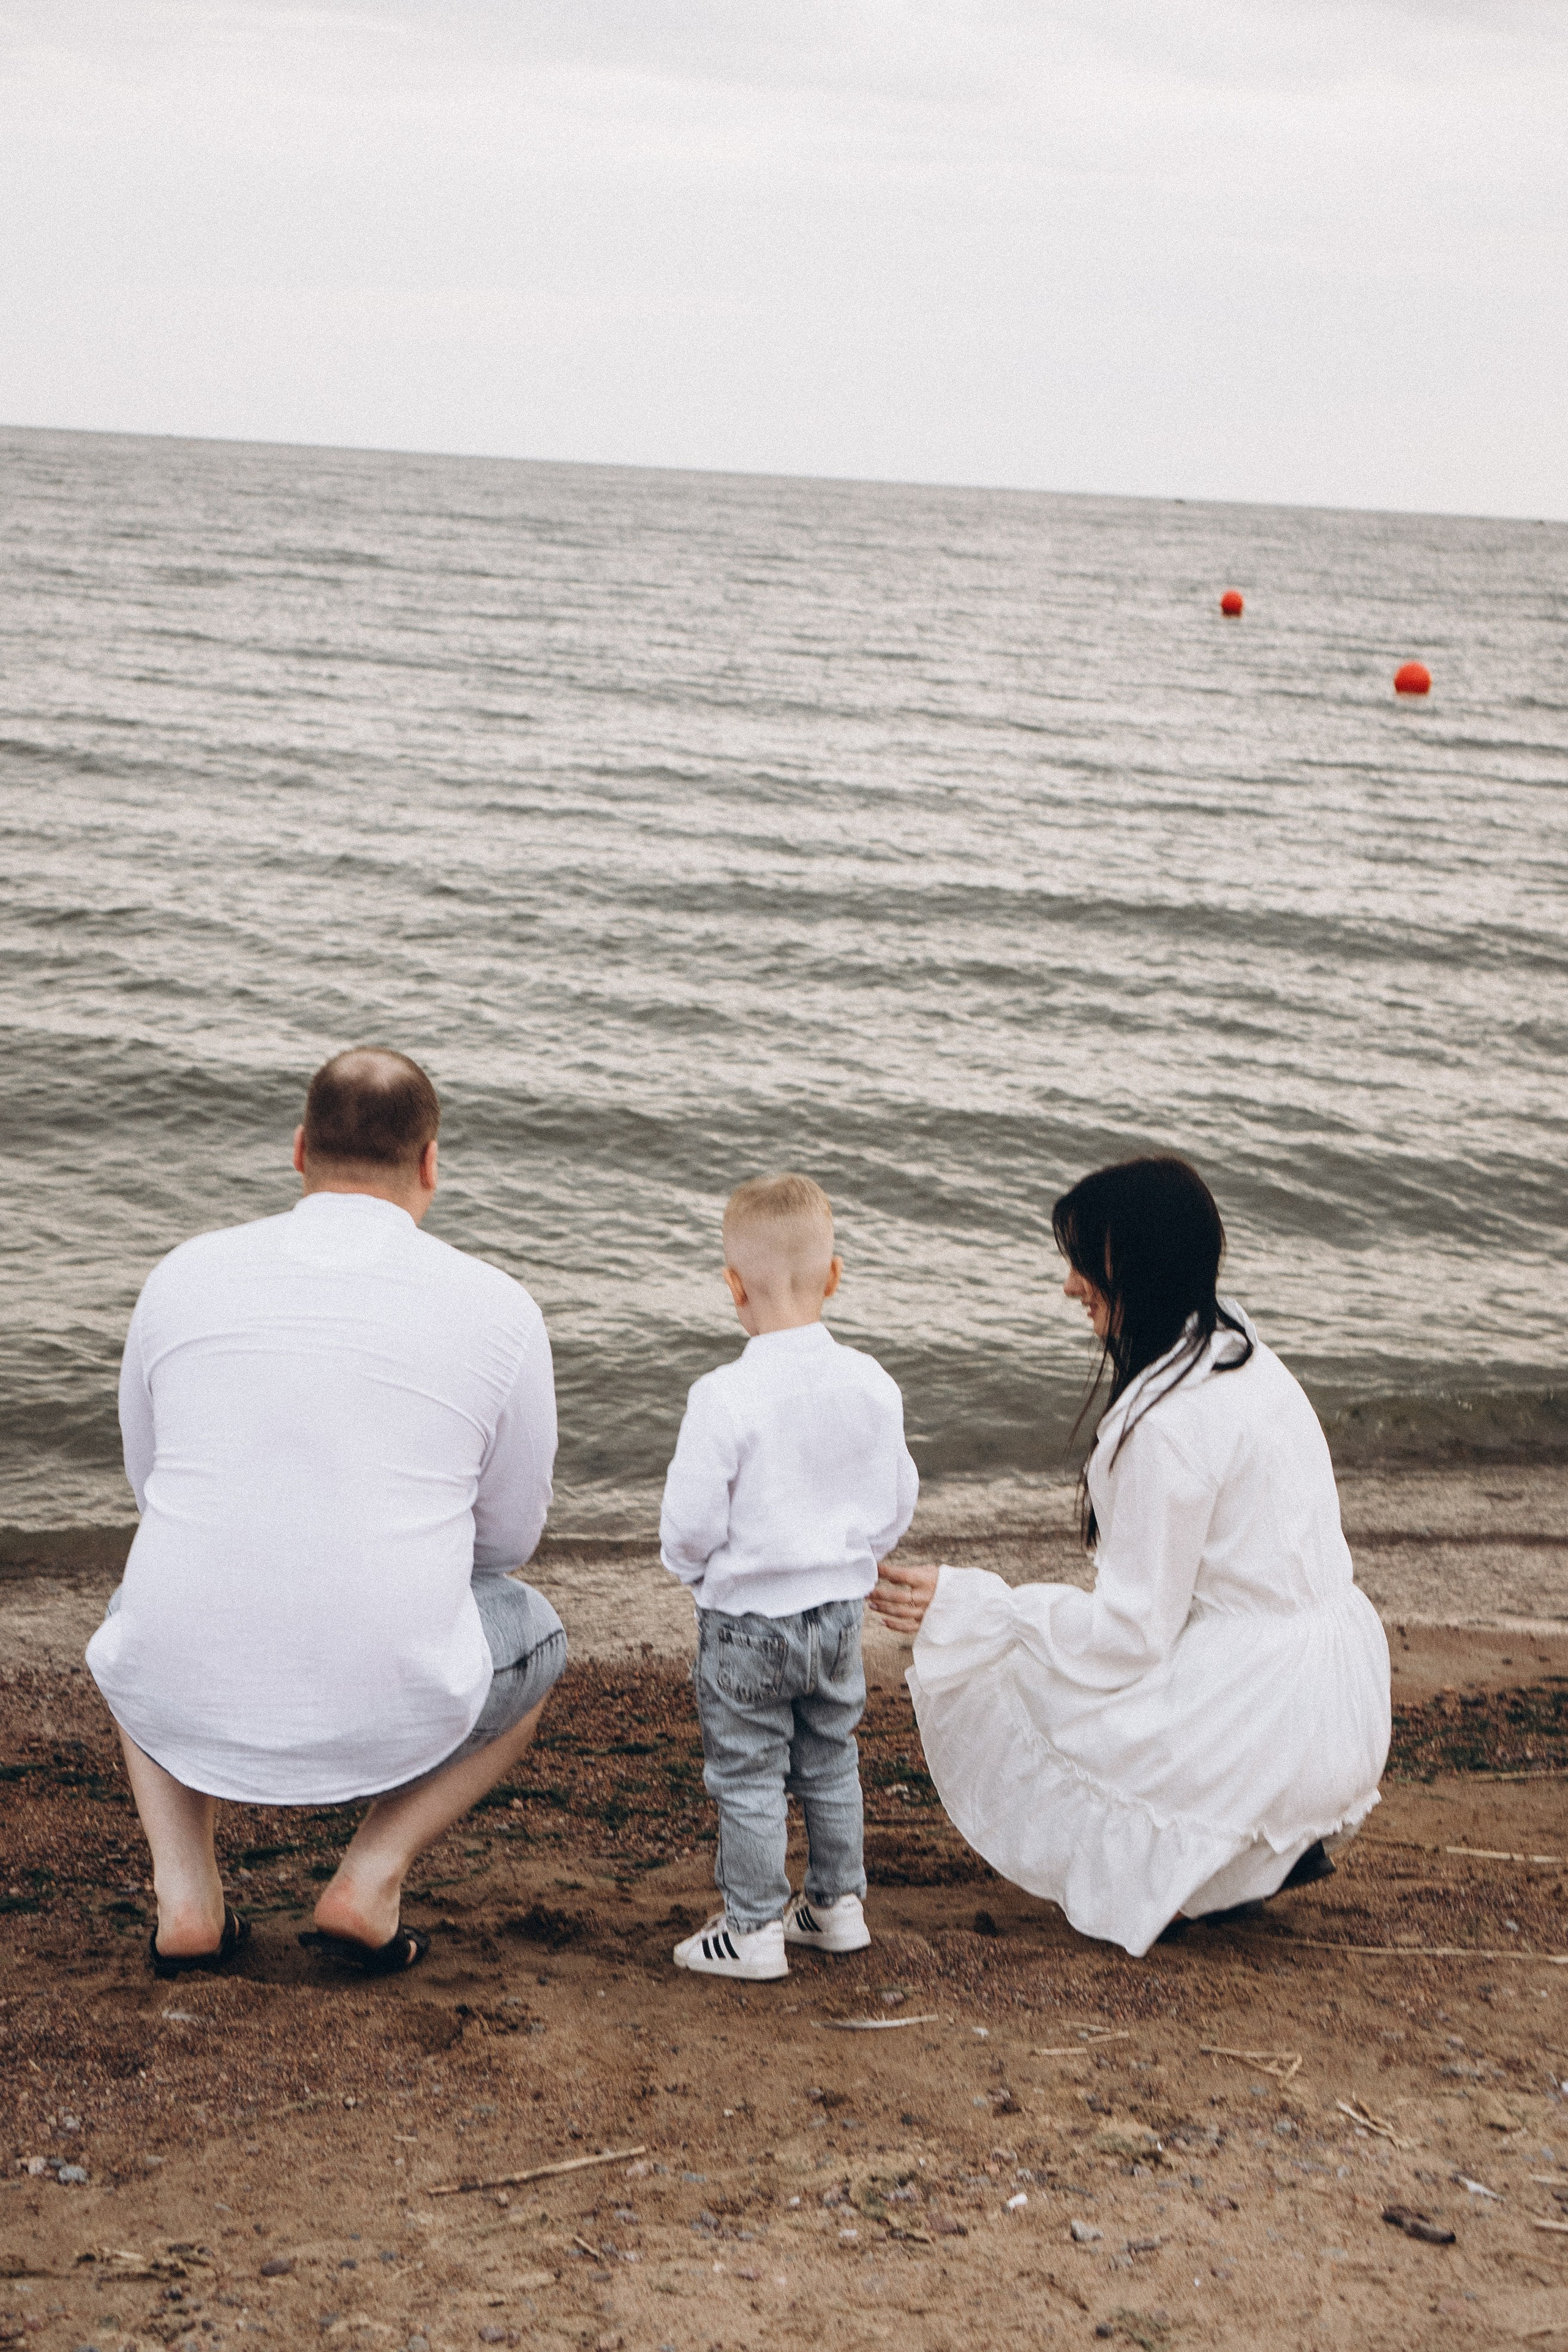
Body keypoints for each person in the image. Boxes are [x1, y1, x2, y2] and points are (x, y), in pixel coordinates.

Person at [86, 1048, 565, 1978]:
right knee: (535, 1635)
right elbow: (509, 1542)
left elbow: (156, 1492)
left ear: (299, 1150)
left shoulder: (183, 1274)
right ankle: (371, 1877)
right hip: (399, 1699)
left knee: (135, 1613)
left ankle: (185, 1897)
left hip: (179, 1677)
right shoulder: (499, 1308)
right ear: (431, 1164)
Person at [870, 1156, 1390, 1959]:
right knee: (1040, 1644)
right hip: (1340, 1701)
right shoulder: (1232, 1344)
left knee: (1006, 1662)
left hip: (1271, 1721)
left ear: (1137, 1269)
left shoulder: (1166, 1428)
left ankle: (1196, 1869)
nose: (1071, 1287)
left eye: (1085, 1265)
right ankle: (1248, 1852)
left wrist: (971, 1603)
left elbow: (1129, 1636)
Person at [659, 1174, 919, 1981]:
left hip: (747, 1623)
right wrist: (851, 1557)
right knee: (830, 1756)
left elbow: (691, 1522)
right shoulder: (872, 1383)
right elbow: (895, 1501)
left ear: (732, 1287)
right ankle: (838, 1906)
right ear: (834, 1276)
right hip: (838, 1613)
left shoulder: (723, 1395)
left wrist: (692, 1570)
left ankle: (753, 1929)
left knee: (748, 1772)